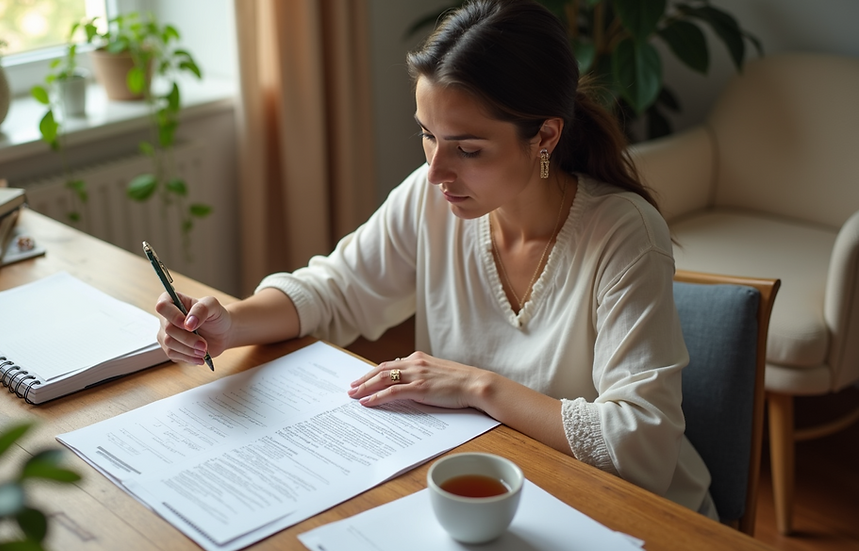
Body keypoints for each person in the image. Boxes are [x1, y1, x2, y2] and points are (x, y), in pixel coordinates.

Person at [155, 0, 716, 519]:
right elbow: (334, 289)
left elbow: (641, 444)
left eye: (468, 149)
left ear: (544, 137)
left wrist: (477, 386)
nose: (436, 171)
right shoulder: (433, 200)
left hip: (627, 513)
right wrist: (233, 322)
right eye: (428, 136)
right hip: (495, 495)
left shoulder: (624, 234)